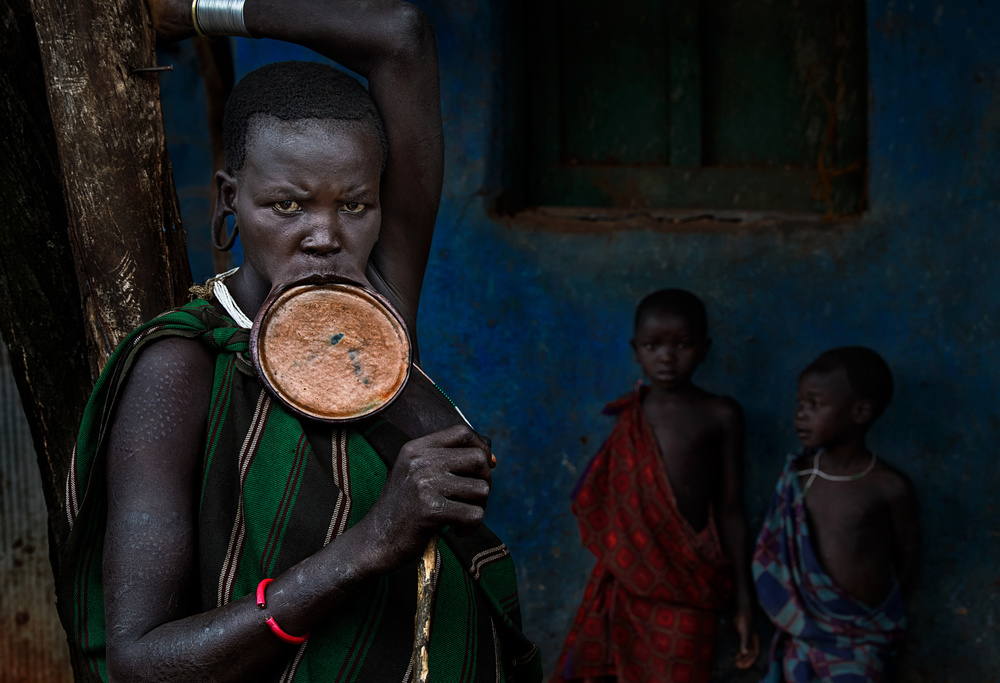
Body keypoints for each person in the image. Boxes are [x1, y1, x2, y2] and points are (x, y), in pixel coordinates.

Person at [56, 2, 541, 681]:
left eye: (356, 204)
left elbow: (400, 35)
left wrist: (200, 10)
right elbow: (140, 658)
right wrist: (372, 542)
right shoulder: (182, 368)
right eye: (287, 204)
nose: (324, 234)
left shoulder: (380, 301)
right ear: (229, 201)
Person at [552, 289, 759, 683]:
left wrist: (744, 601)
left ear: (704, 348)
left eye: (682, 345)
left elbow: (731, 508)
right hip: (628, 578)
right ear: (636, 350)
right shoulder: (631, 416)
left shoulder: (721, 414)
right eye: (653, 345)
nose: (667, 356)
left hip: (691, 582)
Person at [753, 347, 919, 682]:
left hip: (862, 641)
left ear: (859, 411)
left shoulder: (889, 487)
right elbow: (776, 553)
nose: (801, 414)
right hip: (804, 635)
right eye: (800, 403)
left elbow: (907, 562)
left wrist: (866, 614)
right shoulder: (797, 478)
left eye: (815, 405)